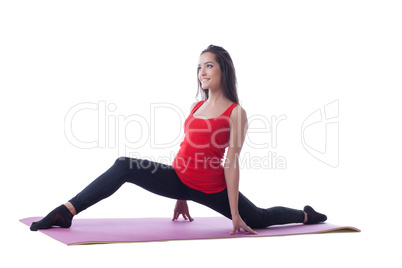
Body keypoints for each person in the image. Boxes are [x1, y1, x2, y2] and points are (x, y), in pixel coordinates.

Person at [30, 45, 327, 235]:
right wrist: (179, 196)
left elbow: (232, 162)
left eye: (208, 65)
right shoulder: (196, 107)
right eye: (199, 67)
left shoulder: (236, 113)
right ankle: (67, 211)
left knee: (259, 218)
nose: (202, 72)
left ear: (224, 69)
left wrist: (234, 214)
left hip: (213, 188)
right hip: (180, 179)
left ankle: (305, 215)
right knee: (124, 165)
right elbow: (187, 149)